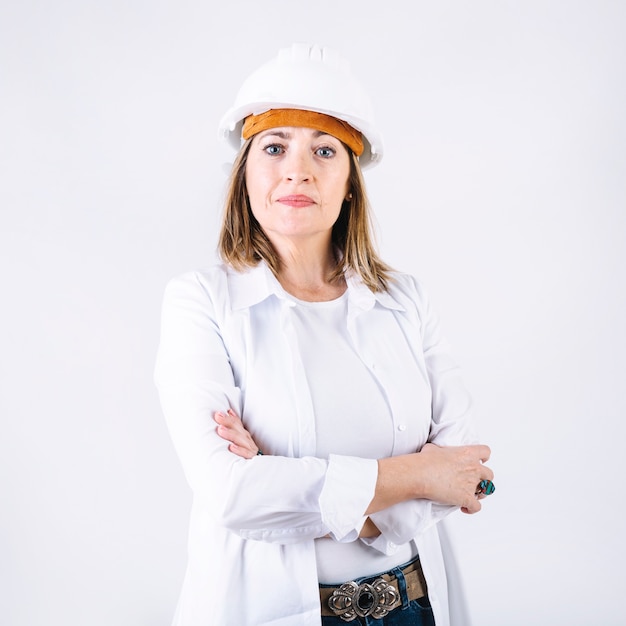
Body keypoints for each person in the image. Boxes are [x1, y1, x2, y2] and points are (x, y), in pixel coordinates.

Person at [154, 42, 495, 626]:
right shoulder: (201, 303)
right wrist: (415, 475)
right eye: (275, 146)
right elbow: (232, 495)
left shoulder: (406, 301)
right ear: (245, 173)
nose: (297, 169)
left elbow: (463, 475)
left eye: (324, 149)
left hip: (413, 608)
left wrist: (285, 481)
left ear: (349, 182)